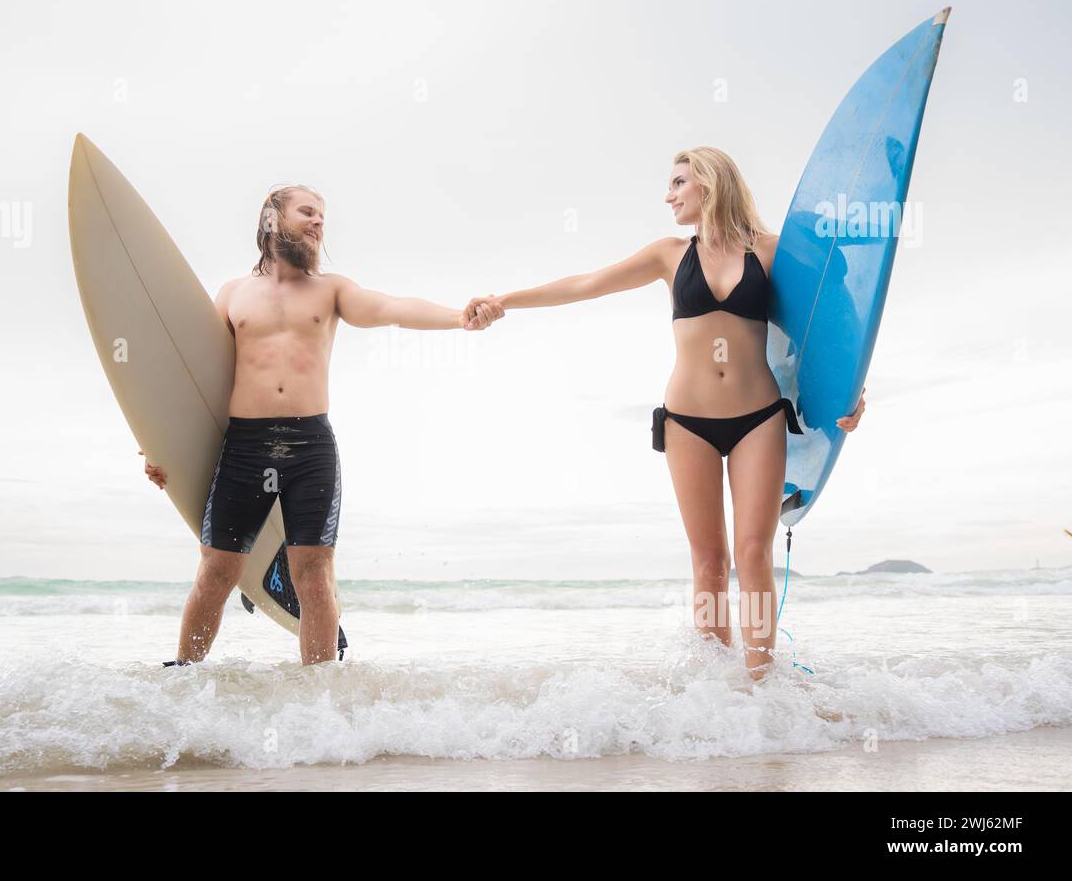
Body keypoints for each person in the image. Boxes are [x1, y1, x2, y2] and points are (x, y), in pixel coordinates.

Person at [464, 147, 866, 680]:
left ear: (710, 183)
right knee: (708, 562)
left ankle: (764, 684)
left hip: (759, 417)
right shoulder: (669, 255)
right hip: (688, 423)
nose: (668, 194)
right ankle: (712, 686)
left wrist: (850, 393)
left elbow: (833, 323)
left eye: (679, 182)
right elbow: (586, 284)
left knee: (753, 554)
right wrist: (504, 300)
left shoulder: (771, 252)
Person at [143, 185, 505, 666]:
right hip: (245, 447)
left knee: (312, 575)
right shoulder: (232, 294)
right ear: (272, 219)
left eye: (322, 217)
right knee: (217, 571)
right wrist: (157, 447)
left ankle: (318, 693)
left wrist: (458, 318)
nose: (318, 223)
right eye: (307, 212)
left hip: (309, 446)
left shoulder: (331, 290)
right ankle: (183, 676)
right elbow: (197, 379)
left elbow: (392, 308)